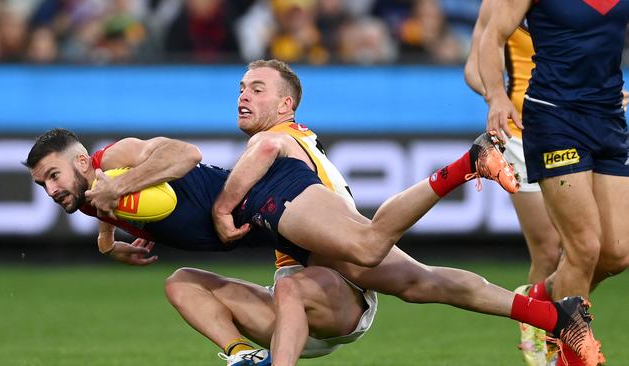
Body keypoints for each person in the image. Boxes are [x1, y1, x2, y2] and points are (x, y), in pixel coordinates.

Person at [198, 59, 598, 365]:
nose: (243, 96)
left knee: (380, 250)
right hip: (323, 252)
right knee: (428, 283)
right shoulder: (293, 138)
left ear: (286, 105)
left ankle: (466, 165)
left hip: (331, 247)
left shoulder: (274, 138)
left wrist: (220, 209)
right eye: (241, 88)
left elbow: (262, 159)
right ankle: (553, 315)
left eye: (256, 88)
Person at [25, 129, 377, 366]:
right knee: (179, 283)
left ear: (83, 162)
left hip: (262, 206)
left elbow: (187, 154)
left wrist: (119, 191)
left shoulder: (117, 156)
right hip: (268, 242)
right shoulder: (87, 190)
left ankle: (434, 184)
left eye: (54, 175)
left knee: (395, 269)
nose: (51, 189)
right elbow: (99, 196)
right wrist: (106, 241)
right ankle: (242, 357)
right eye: (43, 183)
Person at [479, 1, 629, 365]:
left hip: (609, 117)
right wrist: (496, 94)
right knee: (584, 247)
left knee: (617, 253)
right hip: (553, 117)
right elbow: (492, 36)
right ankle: (567, 356)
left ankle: (538, 299)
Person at [464, 1, 561, 364]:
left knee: (599, 249)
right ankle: (548, 333)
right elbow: (474, 67)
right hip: (523, 132)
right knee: (549, 249)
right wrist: (496, 96)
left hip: (583, 126)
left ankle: (536, 301)